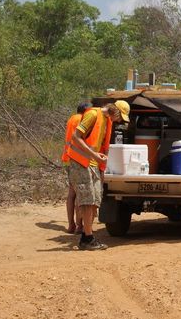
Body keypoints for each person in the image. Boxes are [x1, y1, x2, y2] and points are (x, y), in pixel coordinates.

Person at [67, 100, 130, 250]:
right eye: (119, 117)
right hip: (81, 162)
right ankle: (87, 238)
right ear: (114, 111)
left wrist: (101, 169)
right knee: (87, 201)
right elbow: (76, 137)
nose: (119, 121)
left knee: (94, 201)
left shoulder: (106, 121)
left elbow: (101, 146)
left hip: (93, 164)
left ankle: (86, 237)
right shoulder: (93, 115)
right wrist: (93, 155)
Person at [61, 101, 92, 234]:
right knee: (80, 192)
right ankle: (80, 225)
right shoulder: (82, 120)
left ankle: (71, 225)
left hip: (67, 158)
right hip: (76, 158)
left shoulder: (71, 119)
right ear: (85, 111)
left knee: (71, 193)